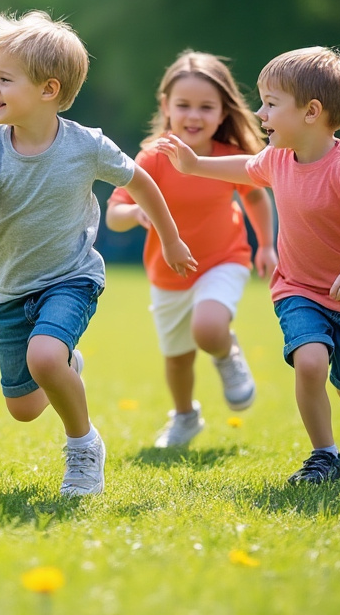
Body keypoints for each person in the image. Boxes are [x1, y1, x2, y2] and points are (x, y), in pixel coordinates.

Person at [0, 11, 196, 497]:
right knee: (23, 406)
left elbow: (141, 181)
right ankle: (66, 367)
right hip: (10, 289)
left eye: (5, 79)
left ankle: (83, 447)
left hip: (72, 278)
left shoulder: (87, 146)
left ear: (48, 89)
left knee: (44, 357)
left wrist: (169, 238)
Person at [154, 46, 340, 485]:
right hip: (298, 289)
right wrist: (196, 164)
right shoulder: (278, 158)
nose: (260, 113)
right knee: (310, 362)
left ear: (311, 112)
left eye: (271, 104)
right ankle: (325, 457)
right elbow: (246, 167)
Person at [107, 51, 277, 449]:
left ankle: (226, 353)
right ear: (166, 107)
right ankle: (185, 416)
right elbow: (113, 214)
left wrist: (266, 245)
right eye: (183, 105)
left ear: (223, 113)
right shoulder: (152, 159)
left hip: (224, 259)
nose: (194, 116)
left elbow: (254, 200)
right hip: (168, 275)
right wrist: (135, 213)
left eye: (206, 107)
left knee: (208, 328)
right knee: (178, 359)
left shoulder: (227, 157)